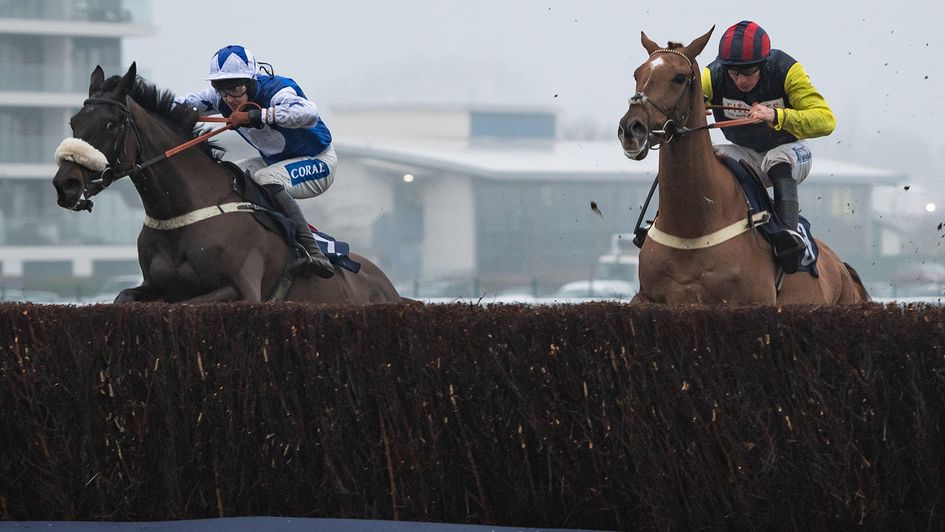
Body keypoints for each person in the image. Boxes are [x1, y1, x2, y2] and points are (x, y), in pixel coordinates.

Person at [175, 44, 335, 278]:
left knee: (265, 178)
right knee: (226, 178)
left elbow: (308, 113)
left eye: (237, 89)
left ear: (251, 82)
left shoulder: (279, 90)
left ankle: (313, 253)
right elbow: (176, 104)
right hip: (274, 163)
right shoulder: (219, 98)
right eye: (221, 89)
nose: (230, 98)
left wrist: (257, 115)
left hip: (318, 162)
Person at [702, 21, 836, 273]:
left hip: (792, 151)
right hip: (745, 153)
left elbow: (826, 121)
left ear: (763, 64)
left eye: (748, 71)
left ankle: (789, 235)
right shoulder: (712, 75)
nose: (740, 80)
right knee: (707, 157)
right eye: (733, 72)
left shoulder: (788, 71)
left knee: (776, 158)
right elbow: (682, 101)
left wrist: (778, 117)